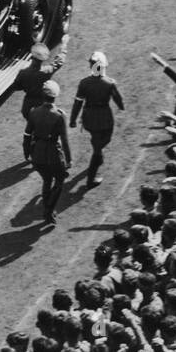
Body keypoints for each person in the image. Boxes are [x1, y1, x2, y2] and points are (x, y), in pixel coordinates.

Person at [70, 50, 125, 188]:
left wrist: (72, 119)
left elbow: (78, 102)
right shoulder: (109, 83)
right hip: (105, 117)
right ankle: (91, 178)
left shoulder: (84, 83)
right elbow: (118, 98)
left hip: (89, 118)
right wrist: (121, 106)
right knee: (102, 143)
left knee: (97, 141)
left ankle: (97, 153)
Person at [27, 80, 72, 226]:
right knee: (59, 182)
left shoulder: (34, 112)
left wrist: (27, 152)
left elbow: (27, 135)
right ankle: (48, 210)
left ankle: (47, 207)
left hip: (37, 153)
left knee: (47, 180)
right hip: (53, 153)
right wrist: (69, 159)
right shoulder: (59, 115)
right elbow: (64, 140)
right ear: (56, 96)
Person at [15, 42, 64, 160]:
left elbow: (16, 86)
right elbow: (59, 63)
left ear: (32, 57)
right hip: (42, 106)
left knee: (30, 129)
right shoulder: (46, 71)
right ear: (42, 60)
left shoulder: (23, 72)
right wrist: (64, 48)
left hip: (27, 107)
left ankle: (30, 152)